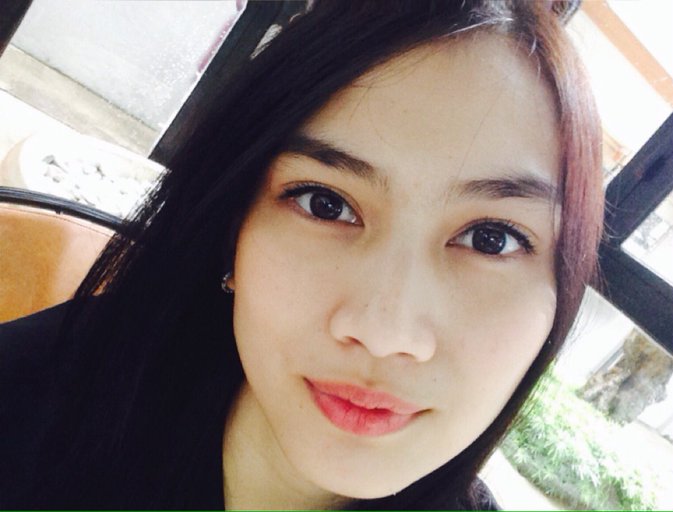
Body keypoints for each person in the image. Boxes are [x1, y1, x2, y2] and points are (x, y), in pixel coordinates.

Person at [0, 0, 603, 509]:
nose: (384, 332)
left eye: (491, 238)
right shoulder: (32, 400)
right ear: (233, 228)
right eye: (325, 204)